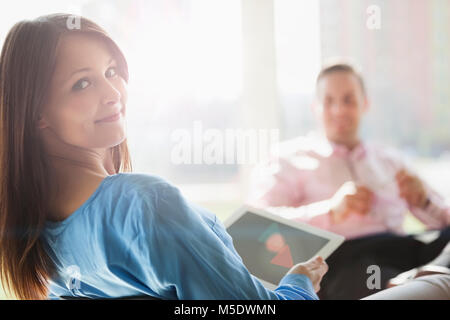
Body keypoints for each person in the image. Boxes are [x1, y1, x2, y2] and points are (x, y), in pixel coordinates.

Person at [0, 14, 328, 300]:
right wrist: (298, 282)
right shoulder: (146, 204)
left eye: (112, 71)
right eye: (82, 83)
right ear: (37, 113)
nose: (113, 94)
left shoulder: (36, 240)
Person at [248, 63, 450, 299]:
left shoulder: (390, 160)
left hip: (403, 251)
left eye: (348, 100)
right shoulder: (288, 160)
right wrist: (330, 212)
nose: (339, 110)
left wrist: (425, 203)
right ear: (315, 108)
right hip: (342, 259)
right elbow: (255, 228)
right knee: (361, 273)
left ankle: (415, 280)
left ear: (365, 104)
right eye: (329, 101)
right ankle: (415, 284)